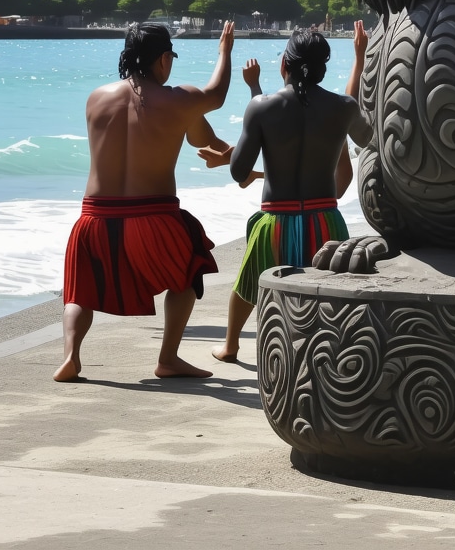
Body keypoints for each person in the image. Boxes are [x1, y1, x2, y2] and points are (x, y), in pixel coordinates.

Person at [53, 21, 234, 382]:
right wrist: (224, 52)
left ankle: (71, 357)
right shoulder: (178, 99)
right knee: (189, 270)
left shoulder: (96, 97)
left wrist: (211, 139)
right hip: (153, 215)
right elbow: (215, 95)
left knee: (80, 292)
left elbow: (197, 132)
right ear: (164, 58)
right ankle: (168, 359)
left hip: (94, 218)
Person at [208, 22, 373, 363]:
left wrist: (255, 92)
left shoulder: (261, 106)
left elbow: (239, 170)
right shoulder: (343, 107)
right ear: (322, 68)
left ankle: (230, 345)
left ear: (284, 63)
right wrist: (359, 65)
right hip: (326, 221)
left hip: (276, 222)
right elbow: (365, 136)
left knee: (248, 282)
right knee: (331, 290)